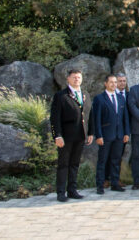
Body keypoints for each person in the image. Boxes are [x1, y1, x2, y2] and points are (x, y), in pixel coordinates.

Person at [50, 69, 91, 202]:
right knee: (63, 164)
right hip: (66, 137)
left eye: (79, 77)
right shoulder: (61, 96)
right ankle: (61, 192)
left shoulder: (85, 95)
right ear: (68, 79)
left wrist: (90, 132)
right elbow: (55, 118)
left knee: (74, 164)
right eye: (74, 77)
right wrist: (57, 135)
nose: (76, 80)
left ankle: (72, 190)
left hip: (80, 135)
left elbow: (90, 115)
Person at [92, 75, 130, 194]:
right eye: (111, 82)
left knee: (116, 160)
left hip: (119, 135)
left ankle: (115, 183)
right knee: (103, 161)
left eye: (115, 82)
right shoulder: (99, 98)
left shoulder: (120, 98)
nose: (114, 84)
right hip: (106, 135)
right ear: (106, 83)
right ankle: (100, 185)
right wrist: (98, 135)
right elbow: (96, 119)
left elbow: (125, 117)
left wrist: (126, 133)